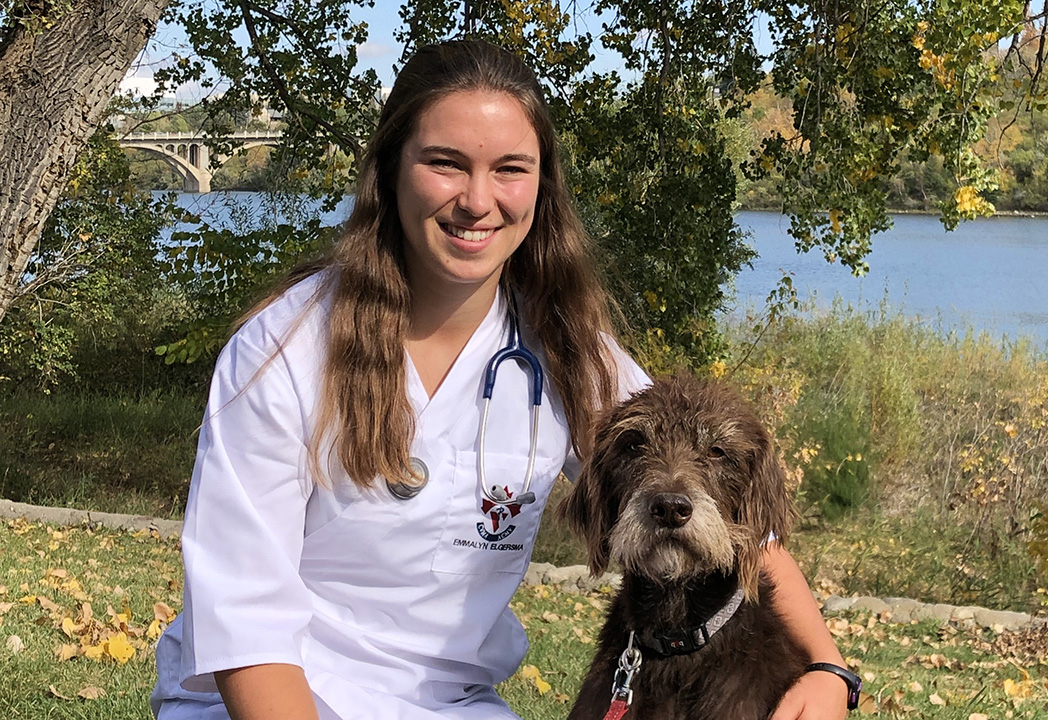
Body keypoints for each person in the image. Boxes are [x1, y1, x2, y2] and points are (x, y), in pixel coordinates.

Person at [151, 39, 852, 720]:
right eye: (446, 164)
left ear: (540, 187)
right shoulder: (283, 352)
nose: (478, 201)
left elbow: (727, 513)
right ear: (392, 170)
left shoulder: (572, 358)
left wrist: (826, 666)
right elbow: (248, 621)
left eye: (510, 169)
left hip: (449, 705)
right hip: (266, 698)